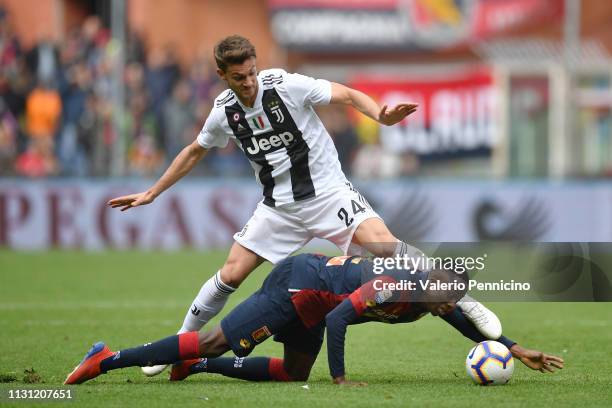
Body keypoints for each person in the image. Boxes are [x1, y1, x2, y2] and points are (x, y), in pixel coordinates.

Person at [107, 35, 499, 376]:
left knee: (387, 248)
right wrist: (153, 192)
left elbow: (344, 94)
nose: (248, 83)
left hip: (329, 194)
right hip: (279, 208)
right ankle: (177, 345)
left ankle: (464, 297)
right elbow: (195, 151)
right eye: (239, 77)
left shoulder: (286, 86)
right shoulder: (223, 112)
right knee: (229, 275)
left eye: (252, 73)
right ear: (222, 75)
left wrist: (378, 114)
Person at [64, 254, 564, 385]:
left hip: (316, 302)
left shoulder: (433, 294)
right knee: (214, 339)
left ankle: (191, 368)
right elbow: (341, 320)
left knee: (295, 373)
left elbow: (458, 318)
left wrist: (514, 346)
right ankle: (109, 359)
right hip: (298, 288)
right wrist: (342, 379)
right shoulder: (394, 286)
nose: (447, 307)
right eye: (444, 299)